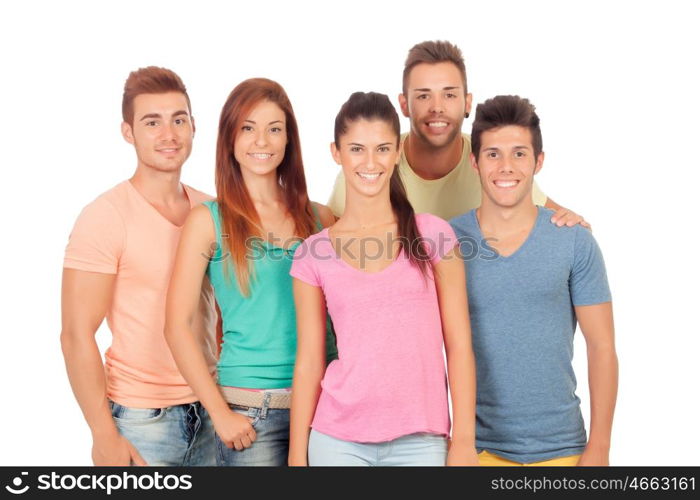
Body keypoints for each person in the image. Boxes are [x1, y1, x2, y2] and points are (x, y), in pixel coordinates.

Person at [289, 92, 478, 466]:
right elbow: (310, 360)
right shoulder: (313, 253)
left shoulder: (433, 235)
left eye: (382, 149)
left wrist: (464, 441)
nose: (370, 162)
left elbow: (459, 347)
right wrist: (297, 456)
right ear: (336, 152)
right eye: (357, 149)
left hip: (422, 440)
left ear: (396, 153)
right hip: (336, 439)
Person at [165, 78, 337, 466]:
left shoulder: (320, 218)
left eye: (274, 129)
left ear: (288, 141)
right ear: (229, 138)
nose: (262, 141)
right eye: (248, 128)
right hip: (249, 414)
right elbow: (176, 326)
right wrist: (219, 414)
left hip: (325, 408)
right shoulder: (207, 222)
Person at [61, 67, 218, 466]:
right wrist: (103, 434)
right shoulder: (105, 216)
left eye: (178, 120)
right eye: (152, 122)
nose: (169, 134)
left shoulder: (212, 210)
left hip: (214, 410)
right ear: (128, 132)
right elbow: (76, 334)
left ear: (194, 126)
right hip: (142, 420)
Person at [450, 95, 618, 466]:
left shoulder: (574, 240)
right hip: (478, 450)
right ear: (474, 162)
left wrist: (600, 448)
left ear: (538, 161)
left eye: (519, 154)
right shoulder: (448, 243)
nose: (506, 167)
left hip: (565, 449)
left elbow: (601, 347)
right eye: (493, 154)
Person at [328, 40, 586, 227]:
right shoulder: (374, 164)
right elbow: (332, 237)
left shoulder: (490, 161)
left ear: (467, 102)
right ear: (404, 104)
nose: (437, 107)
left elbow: (553, 215)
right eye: (423, 95)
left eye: (449, 94)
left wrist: (574, 223)